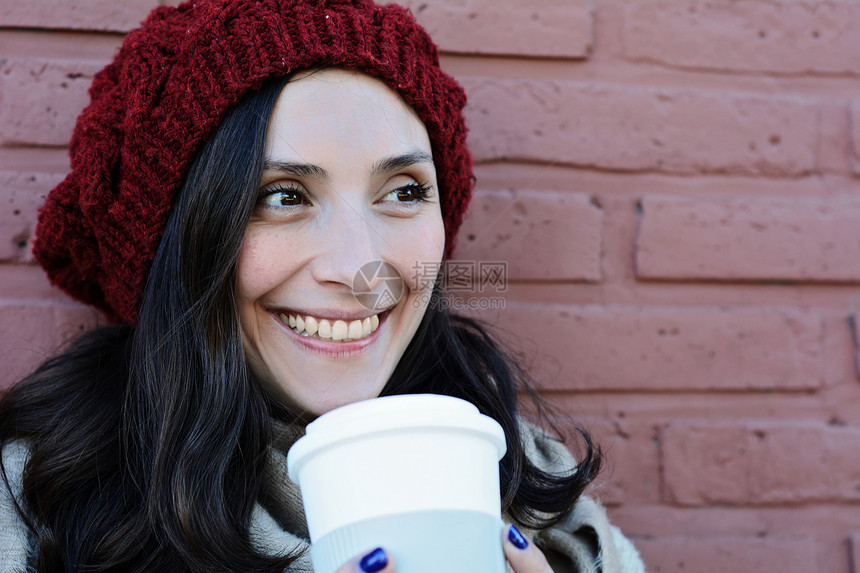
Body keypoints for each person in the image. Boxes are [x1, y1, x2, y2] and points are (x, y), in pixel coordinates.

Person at [0, 1, 646, 571]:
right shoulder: (37, 508)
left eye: (403, 192)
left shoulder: (543, 500)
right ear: (174, 242)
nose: (359, 264)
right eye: (283, 196)